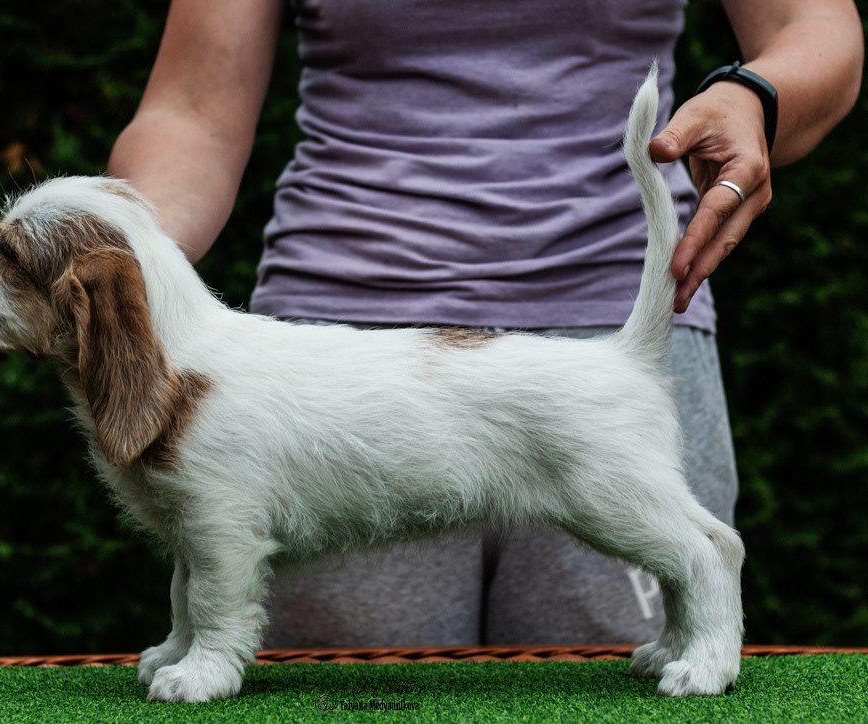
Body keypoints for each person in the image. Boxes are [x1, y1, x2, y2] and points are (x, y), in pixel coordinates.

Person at [108, 1, 863, 647]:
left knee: (635, 665)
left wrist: (757, 95)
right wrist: (121, 265)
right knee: (346, 694)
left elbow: (816, 26)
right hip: (333, 357)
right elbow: (193, 111)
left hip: (614, 327)